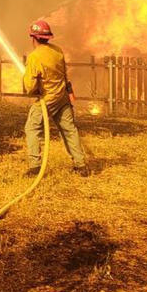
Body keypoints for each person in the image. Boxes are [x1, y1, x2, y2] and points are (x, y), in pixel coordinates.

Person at [22, 19, 89, 177]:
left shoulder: (34, 57)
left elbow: (30, 86)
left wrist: (31, 88)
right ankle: (81, 165)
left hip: (47, 100)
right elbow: (64, 74)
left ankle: (35, 167)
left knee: (31, 129)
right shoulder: (58, 51)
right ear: (47, 37)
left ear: (33, 38)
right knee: (70, 130)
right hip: (62, 98)